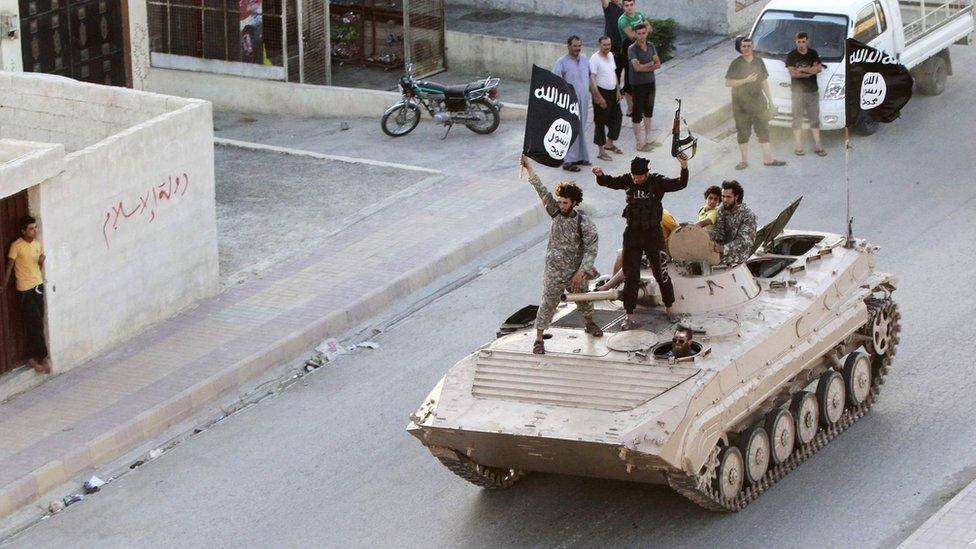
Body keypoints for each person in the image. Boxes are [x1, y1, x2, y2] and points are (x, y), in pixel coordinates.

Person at [593, 154, 689, 328]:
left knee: (662, 273)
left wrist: (684, 167)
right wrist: (600, 175)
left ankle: (670, 310)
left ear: (646, 174)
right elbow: (610, 182)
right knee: (631, 276)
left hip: (653, 234)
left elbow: (680, 184)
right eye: (634, 177)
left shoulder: (657, 182)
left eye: (639, 177)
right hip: (633, 234)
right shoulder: (628, 180)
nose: (636, 180)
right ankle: (629, 316)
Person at [521, 155, 602, 355]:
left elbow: (592, 247)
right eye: (559, 201)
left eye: (565, 202)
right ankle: (539, 339)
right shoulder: (555, 212)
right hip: (554, 270)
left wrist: (582, 272)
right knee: (548, 301)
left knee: (583, 299)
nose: (561, 205)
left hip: (575, 272)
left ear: (574, 203)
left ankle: (590, 323)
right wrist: (529, 167)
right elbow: (540, 189)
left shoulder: (583, 223)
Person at [725, 37, 786, 170]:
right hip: (740, 105)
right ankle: (744, 161)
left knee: (763, 131)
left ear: (752, 47)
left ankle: (768, 159)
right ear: (740, 48)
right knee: (743, 132)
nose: (746, 48)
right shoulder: (736, 63)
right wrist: (745, 80)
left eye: (749, 46)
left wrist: (770, 101)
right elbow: (728, 82)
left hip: (759, 103)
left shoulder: (759, 62)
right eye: (744, 46)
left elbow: (764, 82)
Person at [2, 215, 50, 374]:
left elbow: (37, 267)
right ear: (23, 231)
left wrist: (42, 261)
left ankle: (31, 357)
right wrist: (3, 285)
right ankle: (43, 356)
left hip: (38, 286)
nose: (34, 231)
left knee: (37, 322)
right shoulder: (17, 246)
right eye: (31, 229)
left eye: (35, 227)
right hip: (24, 290)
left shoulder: (37, 244)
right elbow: (9, 266)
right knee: (34, 322)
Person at [596, 209, 677, 291]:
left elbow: (677, 233)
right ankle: (614, 285)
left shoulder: (663, 216)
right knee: (622, 253)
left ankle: (605, 288)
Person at [553, 36, 592, 172]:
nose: (577, 49)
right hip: (569, 102)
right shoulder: (561, 62)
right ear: (568, 46)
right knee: (571, 130)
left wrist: (597, 96)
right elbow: (555, 84)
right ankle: (568, 161)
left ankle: (581, 157)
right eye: (575, 46)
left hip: (584, 100)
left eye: (579, 46)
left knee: (581, 127)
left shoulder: (585, 59)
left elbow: (590, 78)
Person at [786, 32, 826, 157]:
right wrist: (810, 72)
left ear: (807, 41)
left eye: (804, 41)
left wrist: (802, 70)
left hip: (812, 91)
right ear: (795, 41)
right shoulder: (792, 55)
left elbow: (818, 69)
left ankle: (818, 145)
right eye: (799, 41)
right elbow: (793, 74)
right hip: (797, 92)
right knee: (797, 117)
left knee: (814, 118)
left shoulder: (813, 53)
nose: (801, 44)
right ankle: (798, 145)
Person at [628, 23, 661, 152]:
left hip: (650, 83)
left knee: (649, 111)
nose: (642, 36)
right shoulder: (632, 49)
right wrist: (651, 64)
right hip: (637, 85)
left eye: (644, 33)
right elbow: (637, 68)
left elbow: (658, 63)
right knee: (637, 114)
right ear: (635, 34)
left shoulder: (651, 46)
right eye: (639, 33)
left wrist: (645, 66)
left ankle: (648, 138)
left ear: (647, 33)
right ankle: (639, 143)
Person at [590, 36, 624, 161]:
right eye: (604, 45)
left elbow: (614, 73)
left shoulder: (610, 55)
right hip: (601, 92)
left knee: (617, 118)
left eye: (609, 44)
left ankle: (609, 144)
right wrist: (598, 97)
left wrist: (618, 90)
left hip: (613, 92)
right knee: (600, 122)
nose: (607, 47)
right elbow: (592, 78)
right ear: (599, 45)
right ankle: (601, 151)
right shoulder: (594, 58)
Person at [711, 180, 758, 265]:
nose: (725, 200)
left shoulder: (748, 215)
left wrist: (723, 248)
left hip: (737, 256)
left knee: (706, 265)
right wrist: (698, 232)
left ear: (736, 197)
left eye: (728, 197)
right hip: (721, 250)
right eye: (723, 196)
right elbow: (719, 233)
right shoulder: (722, 210)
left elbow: (744, 243)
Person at [616, 0, 647, 118]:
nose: (629, 7)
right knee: (630, 80)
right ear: (623, 7)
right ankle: (630, 109)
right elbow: (631, 36)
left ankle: (639, 106)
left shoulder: (639, 14)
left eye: (631, 5)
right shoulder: (623, 20)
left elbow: (650, 28)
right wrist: (642, 32)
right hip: (628, 50)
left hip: (641, 49)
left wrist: (639, 33)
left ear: (634, 5)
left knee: (641, 77)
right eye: (627, 5)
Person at [601, 0, 626, 87]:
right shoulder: (608, 6)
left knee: (621, 70)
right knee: (612, 71)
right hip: (612, 46)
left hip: (623, 44)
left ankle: (620, 93)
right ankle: (614, 94)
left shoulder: (624, 7)